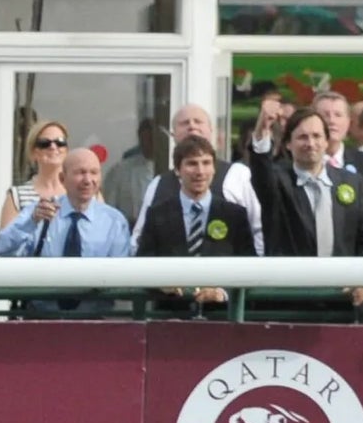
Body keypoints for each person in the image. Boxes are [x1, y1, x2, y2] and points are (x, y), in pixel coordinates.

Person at [254, 108, 363, 317]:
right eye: (302, 137)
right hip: (289, 301)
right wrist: (262, 132)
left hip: (341, 300)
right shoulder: (277, 181)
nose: (310, 143)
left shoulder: (351, 181)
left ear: (326, 142)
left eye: (316, 136)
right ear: (288, 143)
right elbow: (261, 169)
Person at [0, 147, 134, 316]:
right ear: (62, 178)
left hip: (94, 323)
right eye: (80, 173)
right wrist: (30, 223)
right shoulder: (40, 211)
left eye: (94, 173)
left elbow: (120, 276)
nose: (88, 180)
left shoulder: (114, 222)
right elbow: (0, 250)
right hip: (43, 320)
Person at [129, 103, 265, 252]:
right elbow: (139, 242)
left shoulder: (238, 176)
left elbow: (257, 231)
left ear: (211, 130)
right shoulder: (158, 186)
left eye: (198, 121)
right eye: (184, 123)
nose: (192, 127)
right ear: (173, 134)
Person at [134, 136, 253, 308]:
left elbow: (249, 266)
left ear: (214, 168)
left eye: (206, 163)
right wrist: (161, 283)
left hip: (219, 317)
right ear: (177, 170)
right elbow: (142, 263)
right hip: (171, 316)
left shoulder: (234, 215)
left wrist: (222, 292)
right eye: (192, 163)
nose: (200, 171)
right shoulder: (158, 214)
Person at [313, 90, 363, 212]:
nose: (332, 121)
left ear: (349, 122)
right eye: (325, 115)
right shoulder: (297, 164)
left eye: (338, 115)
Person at [0, 119, 71, 230]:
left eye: (60, 142)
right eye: (44, 143)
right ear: (33, 152)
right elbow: (6, 244)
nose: (53, 147)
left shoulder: (85, 191)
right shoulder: (16, 196)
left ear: (66, 150)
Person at [103, 120, 159, 221]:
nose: (148, 143)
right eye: (144, 139)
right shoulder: (120, 170)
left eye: (151, 139)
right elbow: (108, 208)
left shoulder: (173, 168)